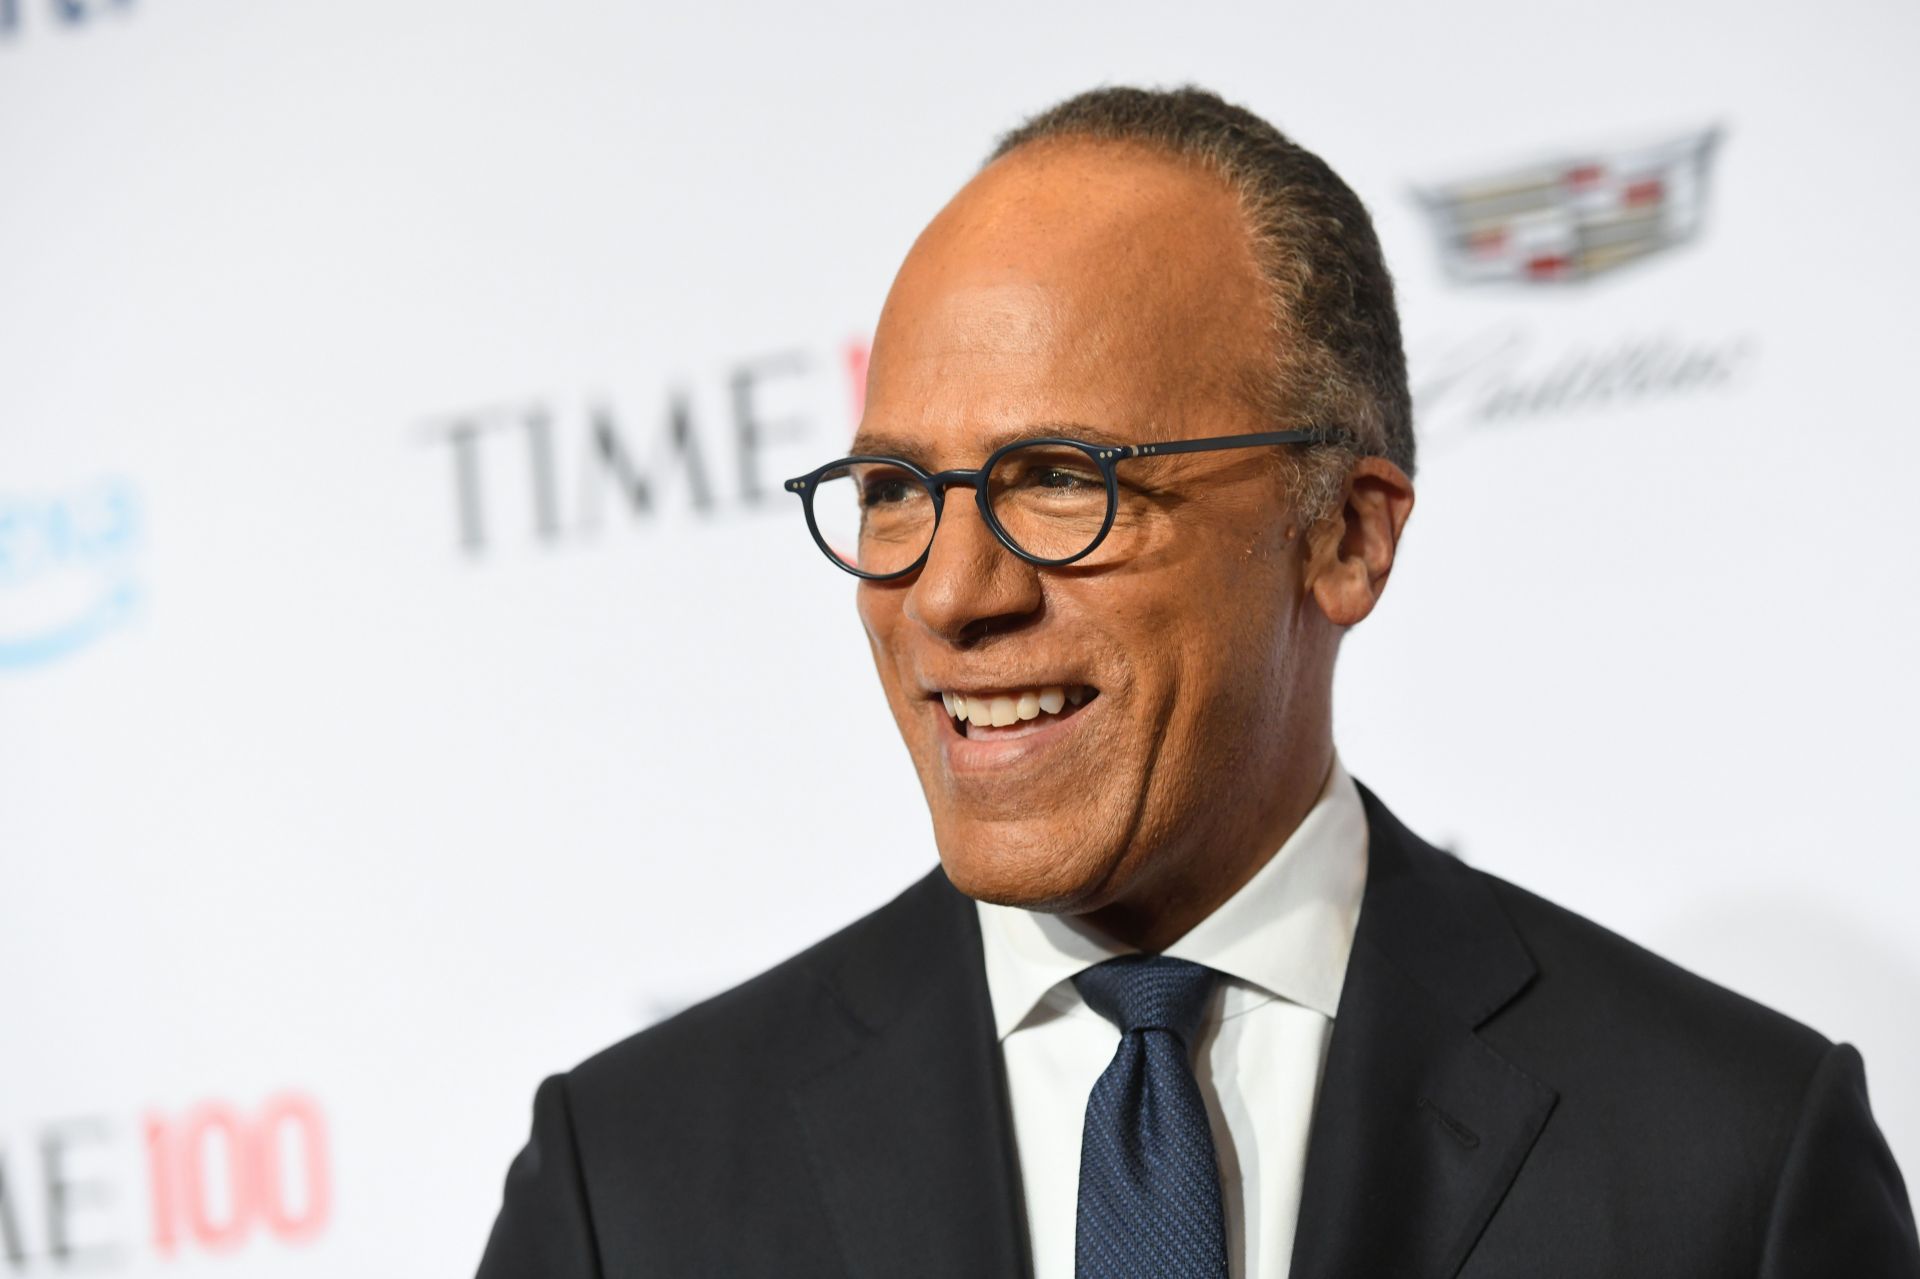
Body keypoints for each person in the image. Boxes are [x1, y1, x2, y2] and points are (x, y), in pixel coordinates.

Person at [475, 85, 1918, 1278]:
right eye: (897, 490)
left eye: (1061, 481)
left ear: (1345, 536)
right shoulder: (632, 1190)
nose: (954, 594)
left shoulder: (1727, 1167)